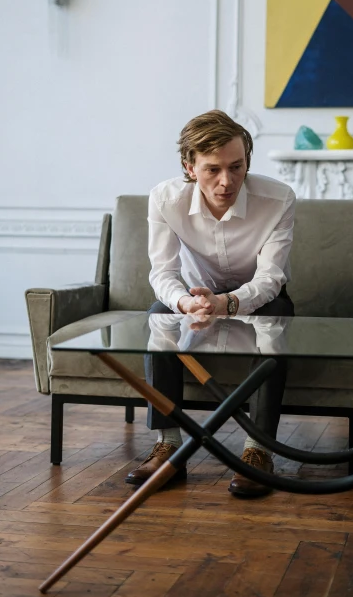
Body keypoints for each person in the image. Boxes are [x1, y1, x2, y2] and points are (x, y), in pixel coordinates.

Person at [125, 110, 296, 497]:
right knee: (158, 316)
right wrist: (185, 303)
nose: (227, 181)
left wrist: (226, 304)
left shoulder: (279, 199)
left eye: (237, 167)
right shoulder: (164, 199)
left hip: (258, 300)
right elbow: (162, 274)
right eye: (212, 170)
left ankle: (258, 451)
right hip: (194, 300)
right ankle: (169, 446)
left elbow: (270, 279)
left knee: (279, 316)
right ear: (189, 167)